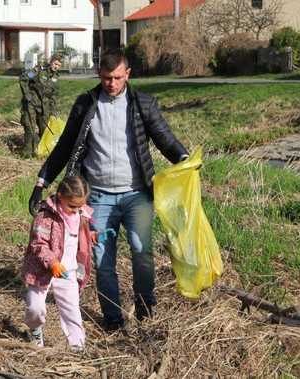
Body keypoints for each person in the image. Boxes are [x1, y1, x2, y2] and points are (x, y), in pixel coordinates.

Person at [28, 50, 189, 330]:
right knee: (102, 259)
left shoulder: (142, 104)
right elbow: (65, 146)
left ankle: (145, 307)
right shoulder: (86, 104)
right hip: (98, 197)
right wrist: (42, 181)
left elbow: (164, 137)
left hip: (136, 194)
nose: (111, 84)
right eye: (105, 78)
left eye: (116, 78)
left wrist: (184, 159)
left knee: (141, 251)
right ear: (99, 75)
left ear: (127, 74)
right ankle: (113, 318)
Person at [22, 175, 93, 351]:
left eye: (79, 206)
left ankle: (78, 346)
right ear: (60, 196)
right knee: (35, 308)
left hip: (67, 270)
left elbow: (78, 238)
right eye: (72, 206)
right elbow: (38, 243)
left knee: (72, 312)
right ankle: (35, 329)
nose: (76, 210)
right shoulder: (45, 216)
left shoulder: (81, 214)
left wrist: (92, 236)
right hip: (42, 270)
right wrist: (52, 262)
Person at [19, 54, 62, 156]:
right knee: (30, 128)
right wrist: (27, 95)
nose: (56, 67)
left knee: (45, 130)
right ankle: (27, 154)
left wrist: (53, 111)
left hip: (44, 107)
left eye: (59, 65)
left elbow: (53, 96)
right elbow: (23, 79)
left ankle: (40, 152)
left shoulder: (56, 77)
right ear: (51, 61)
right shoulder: (38, 70)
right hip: (32, 104)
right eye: (55, 63)